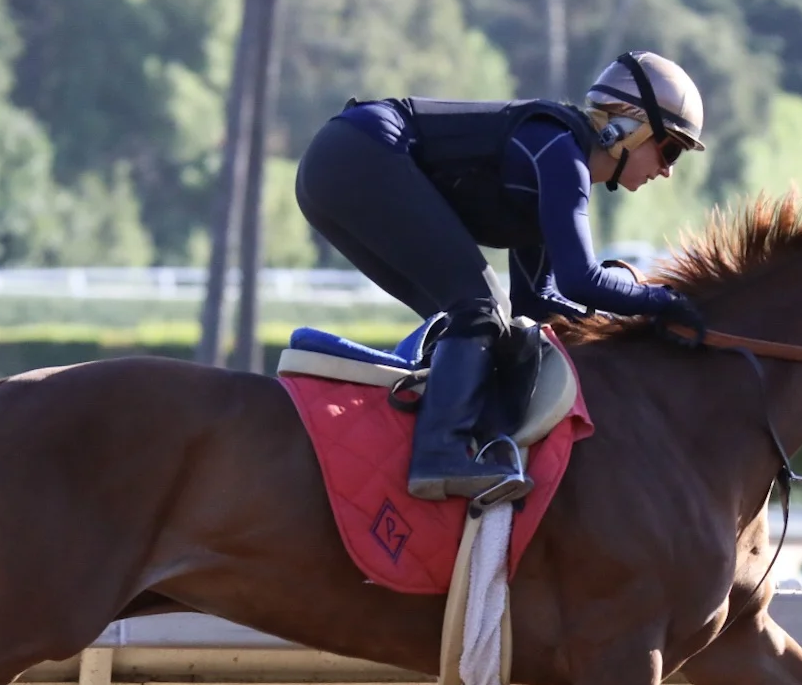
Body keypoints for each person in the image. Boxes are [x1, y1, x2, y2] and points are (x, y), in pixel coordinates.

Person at [296, 51, 706, 501]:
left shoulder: (559, 164)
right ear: (626, 128)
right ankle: (439, 454)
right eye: (669, 149)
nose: (667, 170)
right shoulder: (559, 153)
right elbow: (581, 279)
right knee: (480, 308)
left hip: (337, 166)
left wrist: (624, 326)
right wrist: (664, 301)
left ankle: (462, 440)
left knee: (483, 323)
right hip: (359, 154)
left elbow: (539, 303)